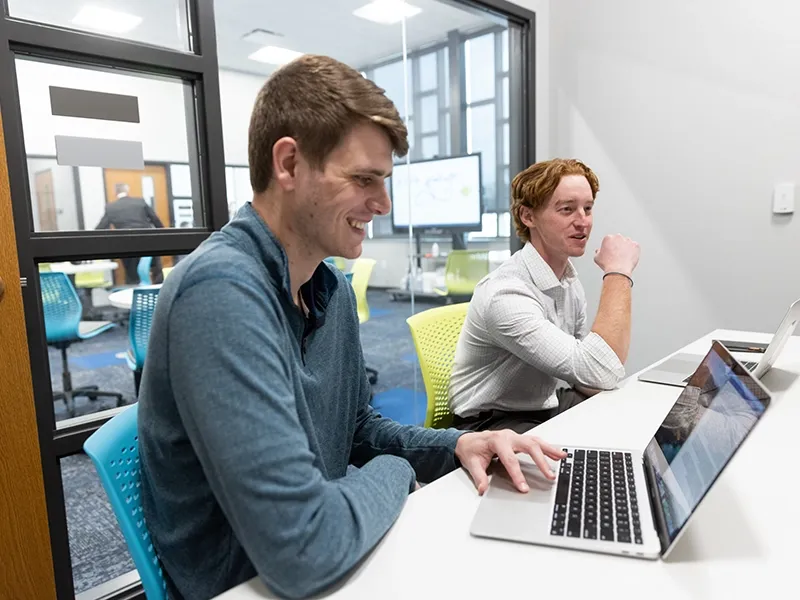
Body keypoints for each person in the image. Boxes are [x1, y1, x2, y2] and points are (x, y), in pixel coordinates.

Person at [137, 54, 566, 600]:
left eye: (384, 181)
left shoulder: (328, 288)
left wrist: (458, 445)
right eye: (364, 179)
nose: (383, 204)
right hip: (249, 583)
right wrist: (392, 470)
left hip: (333, 554)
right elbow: (303, 550)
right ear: (289, 164)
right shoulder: (219, 293)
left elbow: (356, 429)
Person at [449, 158, 641, 433]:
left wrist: (619, 401)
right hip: (492, 421)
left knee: (632, 419)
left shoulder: (568, 281)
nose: (583, 222)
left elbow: (590, 372)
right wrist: (618, 271)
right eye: (567, 210)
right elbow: (599, 368)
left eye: (588, 208)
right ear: (528, 217)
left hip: (543, 405)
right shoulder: (505, 293)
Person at [95, 183, 164, 283]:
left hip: (126, 245)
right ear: (127, 190)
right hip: (147, 241)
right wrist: (162, 235)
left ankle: (133, 294)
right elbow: (155, 220)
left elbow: (101, 228)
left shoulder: (111, 207)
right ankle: (160, 292)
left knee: (132, 275)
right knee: (156, 270)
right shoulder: (140, 202)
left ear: (115, 192)